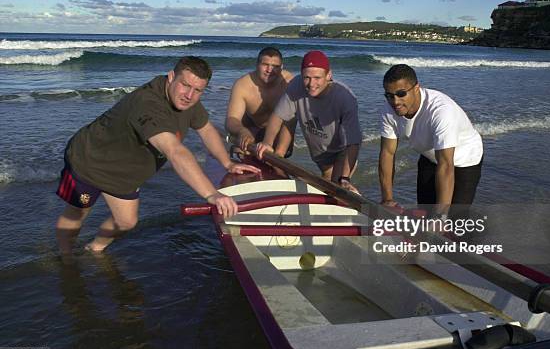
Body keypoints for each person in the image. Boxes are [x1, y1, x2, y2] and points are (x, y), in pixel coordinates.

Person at [55, 56, 260, 253]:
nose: (189, 95)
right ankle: (64, 256)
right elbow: (175, 151)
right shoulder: (148, 104)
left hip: (124, 172)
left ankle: (95, 248)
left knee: (126, 221)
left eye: (198, 90)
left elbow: (206, 129)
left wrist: (227, 163)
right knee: (77, 213)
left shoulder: (188, 102)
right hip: (89, 161)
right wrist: (211, 194)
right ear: (171, 76)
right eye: (185, 85)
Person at [378, 64, 483, 218]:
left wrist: (441, 216)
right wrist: (387, 199)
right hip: (430, 156)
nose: (395, 102)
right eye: (389, 95)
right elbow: (387, 153)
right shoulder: (389, 110)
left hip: (464, 160)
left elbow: (446, 165)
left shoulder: (441, 112)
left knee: (453, 219)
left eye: (401, 94)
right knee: (426, 213)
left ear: (416, 88)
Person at [256, 50, 362, 192]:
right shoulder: (296, 85)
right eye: (307, 77)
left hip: (341, 151)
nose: (312, 84)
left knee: (335, 189)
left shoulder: (345, 98)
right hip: (319, 154)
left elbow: (353, 142)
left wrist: (345, 178)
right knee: (325, 182)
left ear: (329, 75)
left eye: (317, 77)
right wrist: (267, 143)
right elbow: (278, 115)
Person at [225, 47, 295, 156]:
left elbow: (291, 121)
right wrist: (242, 131)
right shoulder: (243, 85)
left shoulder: (288, 83)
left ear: (282, 67)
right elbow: (231, 119)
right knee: (239, 151)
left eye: (275, 66)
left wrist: (279, 153)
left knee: (278, 158)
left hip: (279, 132)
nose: (269, 70)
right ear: (257, 64)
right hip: (252, 129)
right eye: (265, 64)